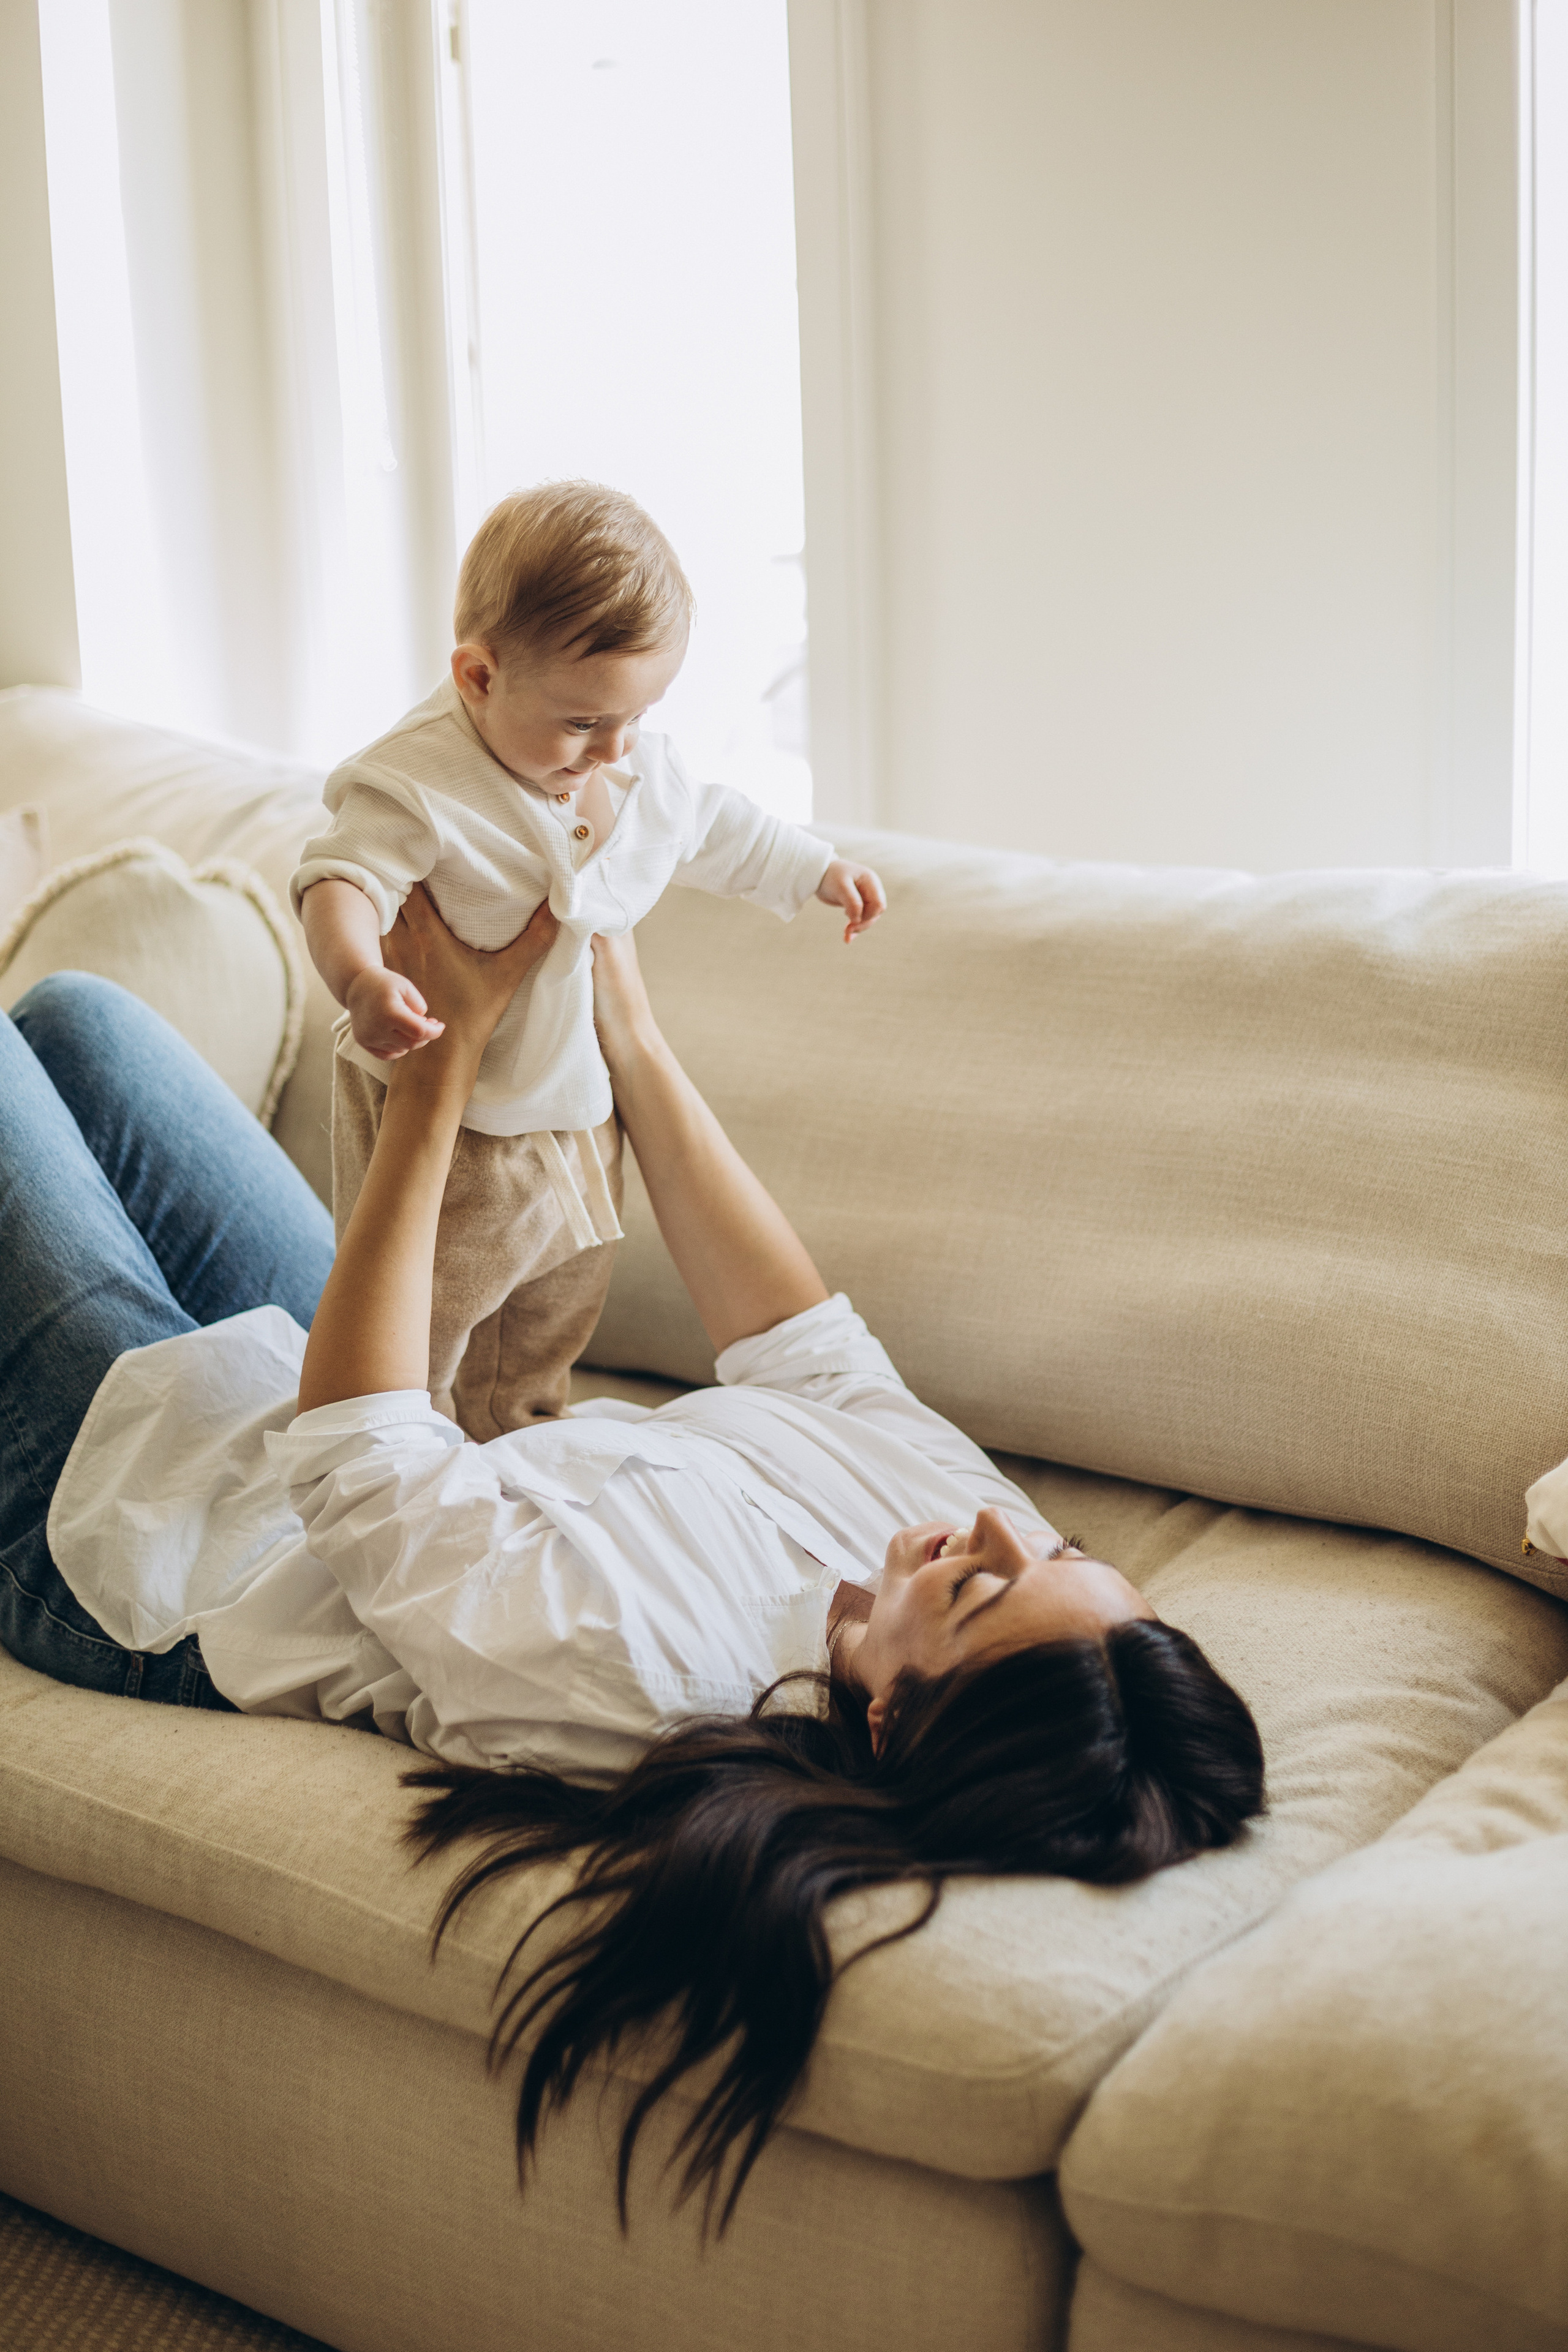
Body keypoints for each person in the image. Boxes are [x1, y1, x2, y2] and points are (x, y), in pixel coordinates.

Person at [0, 901, 1264, 2224]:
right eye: (1055, 1549)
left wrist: (440, 1084)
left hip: (171, 1532)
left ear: (888, 1716)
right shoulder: (947, 1528)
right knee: (81, 1023)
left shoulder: (640, 1676)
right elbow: (804, 1344)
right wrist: (634, 1039)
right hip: (401, 1411)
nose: (994, 1528)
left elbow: (351, 1452)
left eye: (980, 1586)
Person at [292, 480, 886, 1439]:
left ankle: (525, 1430)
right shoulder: (417, 778)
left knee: (554, 1309)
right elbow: (339, 882)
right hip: (455, 1125)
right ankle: (421, 1458)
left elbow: (713, 825)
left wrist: (815, 870)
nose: (613, 749)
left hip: (576, 1107)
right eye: (581, 724)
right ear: (478, 676)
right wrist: (363, 980)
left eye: (637, 719)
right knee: (437, 1318)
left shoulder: (621, 759)